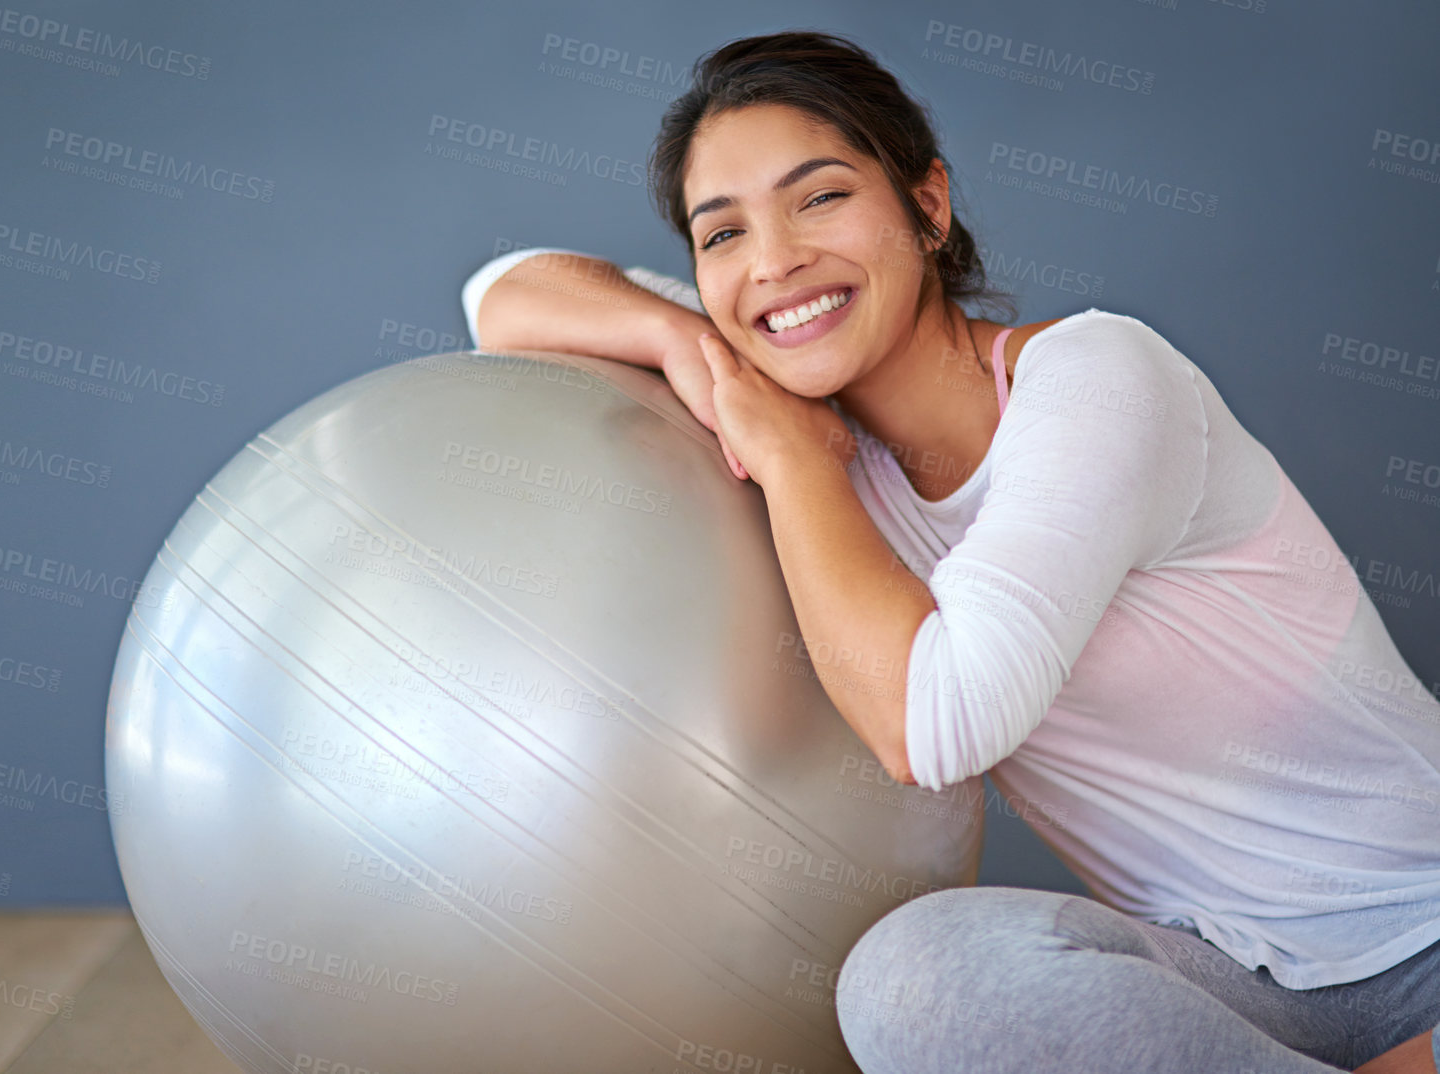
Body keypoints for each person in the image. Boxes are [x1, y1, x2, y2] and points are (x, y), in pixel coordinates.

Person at [459, 30, 1440, 1074]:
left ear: (928, 207)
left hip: (1423, 932)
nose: (775, 261)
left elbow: (937, 724)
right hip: (1222, 984)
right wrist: (684, 342)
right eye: (722, 234)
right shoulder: (787, 383)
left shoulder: (1101, 381)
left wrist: (794, 463)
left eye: (821, 197)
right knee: (913, 983)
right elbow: (500, 294)